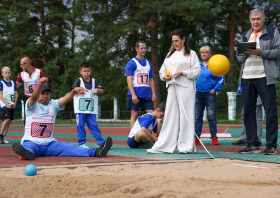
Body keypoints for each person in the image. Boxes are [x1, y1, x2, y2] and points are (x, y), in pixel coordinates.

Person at [12, 77, 112, 160]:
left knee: (70, 147)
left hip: (50, 144)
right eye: (42, 93)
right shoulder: (31, 105)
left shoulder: (53, 105)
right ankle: (26, 154)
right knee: (28, 147)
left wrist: (73, 91)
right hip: (32, 142)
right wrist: (40, 85)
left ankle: (97, 152)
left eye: (47, 93)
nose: (45, 96)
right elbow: (34, 97)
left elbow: (65, 98)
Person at [147, 29, 200, 154]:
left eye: (177, 41)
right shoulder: (170, 55)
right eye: (173, 41)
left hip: (186, 88)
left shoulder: (191, 54)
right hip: (172, 87)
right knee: (170, 116)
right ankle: (164, 145)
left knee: (186, 116)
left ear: (183, 39)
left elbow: (197, 72)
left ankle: (186, 146)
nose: (175, 43)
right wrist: (164, 76)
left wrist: (182, 72)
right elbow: (161, 72)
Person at [237, 8, 280, 155]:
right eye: (253, 19)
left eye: (258, 19)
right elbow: (239, 58)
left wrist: (260, 52)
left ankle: (271, 146)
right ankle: (253, 144)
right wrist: (246, 52)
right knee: (248, 112)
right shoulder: (245, 35)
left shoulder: (273, 32)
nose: (256, 21)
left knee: (270, 111)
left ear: (264, 19)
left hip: (265, 77)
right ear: (250, 20)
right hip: (247, 77)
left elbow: (278, 52)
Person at [194, 46, 225, 145]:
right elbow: (192, 77)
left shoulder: (214, 65)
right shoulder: (196, 65)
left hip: (209, 94)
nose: (203, 54)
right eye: (202, 52)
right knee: (198, 116)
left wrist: (215, 89)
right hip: (198, 93)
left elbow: (221, 78)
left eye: (206, 52)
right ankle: (196, 137)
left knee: (211, 116)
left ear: (210, 54)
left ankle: (214, 137)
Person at [72, 62, 104, 148]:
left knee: (94, 125)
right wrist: (79, 90)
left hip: (91, 109)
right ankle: (82, 143)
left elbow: (102, 90)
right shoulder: (79, 81)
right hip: (80, 109)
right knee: (80, 126)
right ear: (81, 72)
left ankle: (101, 142)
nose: (86, 73)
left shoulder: (94, 81)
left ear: (91, 71)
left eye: (88, 71)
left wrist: (97, 90)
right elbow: (73, 89)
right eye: (84, 71)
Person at [125, 40, 156, 127]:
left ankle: (155, 136)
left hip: (146, 94)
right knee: (134, 115)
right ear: (136, 49)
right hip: (135, 94)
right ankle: (132, 136)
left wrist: (153, 93)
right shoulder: (131, 63)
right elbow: (129, 80)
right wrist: (133, 94)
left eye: (145, 48)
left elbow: (151, 80)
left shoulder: (148, 64)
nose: (143, 50)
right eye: (141, 48)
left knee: (153, 115)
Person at [16, 57, 45, 125]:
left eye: (21, 64)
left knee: (39, 116)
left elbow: (45, 86)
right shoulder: (22, 74)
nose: (20, 66)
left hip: (38, 98)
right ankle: (27, 134)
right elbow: (16, 86)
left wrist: (43, 97)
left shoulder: (39, 72)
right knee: (27, 118)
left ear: (27, 64)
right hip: (27, 98)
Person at [0, 66, 18, 144]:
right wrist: (6, 104)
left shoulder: (13, 83)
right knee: (6, 119)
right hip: (4, 104)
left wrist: (15, 103)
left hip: (11, 103)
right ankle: (0, 135)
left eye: (9, 73)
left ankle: (4, 136)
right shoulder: (1, 83)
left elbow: (16, 93)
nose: (7, 74)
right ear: (2, 74)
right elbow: (0, 95)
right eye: (6, 73)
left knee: (9, 120)